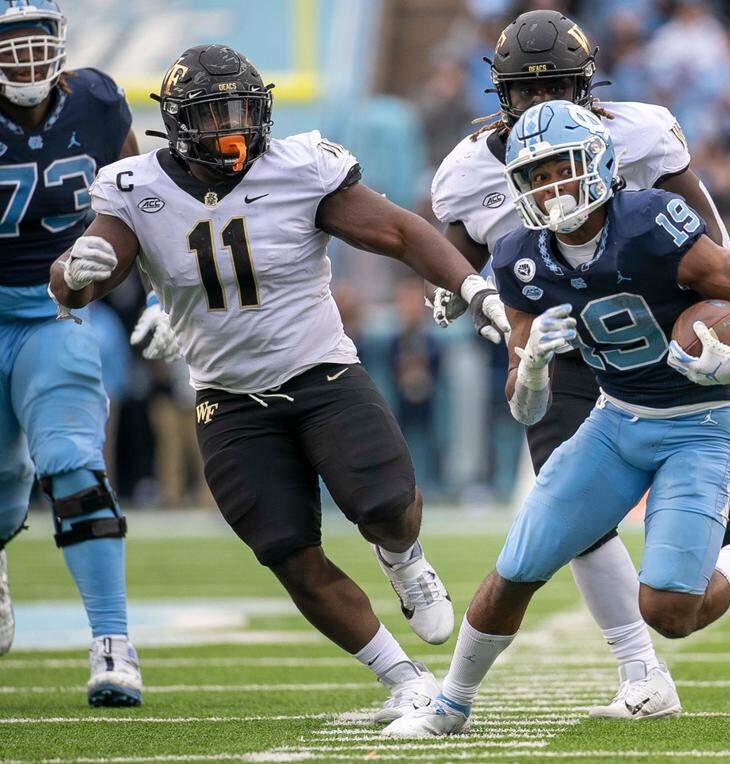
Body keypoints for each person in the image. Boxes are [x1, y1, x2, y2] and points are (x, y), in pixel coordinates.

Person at [47, 43, 511, 720]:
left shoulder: (299, 167)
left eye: (240, 110)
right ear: (177, 125)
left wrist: (471, 283)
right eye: (212, 116)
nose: (231, 129)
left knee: (385, 504)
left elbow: (400, 233)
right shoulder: (136, 187)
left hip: (320, 369)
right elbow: (84, 279)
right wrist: (73, 271)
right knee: (289, 552)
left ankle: (404, 556)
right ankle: (402, 678)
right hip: (228, 399)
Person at [383, 99, 730, 738]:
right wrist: (536, 368)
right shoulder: (521, 256)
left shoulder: (653, 223)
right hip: (615, 419)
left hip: (700, 423)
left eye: (562, 169)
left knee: (668, 611)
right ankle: (450, 705)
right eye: (537, 176)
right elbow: (525, 408)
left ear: (600, 163)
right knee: (516, 568)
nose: (552, 188)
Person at [426, 9, 730, 717]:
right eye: (523, 93)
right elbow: (453, 259)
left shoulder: (638, 131)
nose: (540, 108)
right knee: (569, 505)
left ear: (588, 86)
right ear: (500, 93)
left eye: (557, 92)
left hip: (653, 331)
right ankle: (640, 672)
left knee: (723, 526)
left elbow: (713, 242)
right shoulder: (464, 171)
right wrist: (457, 291)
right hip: (554, 336)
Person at [0, 0, 143, 706]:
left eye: (35, 40)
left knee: (71, 463)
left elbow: (143, 203)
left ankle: (113, 644)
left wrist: (163, 301)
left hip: (54, 310)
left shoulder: (96, 100)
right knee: (3, 495)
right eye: (8, 42)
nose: (24, 57)